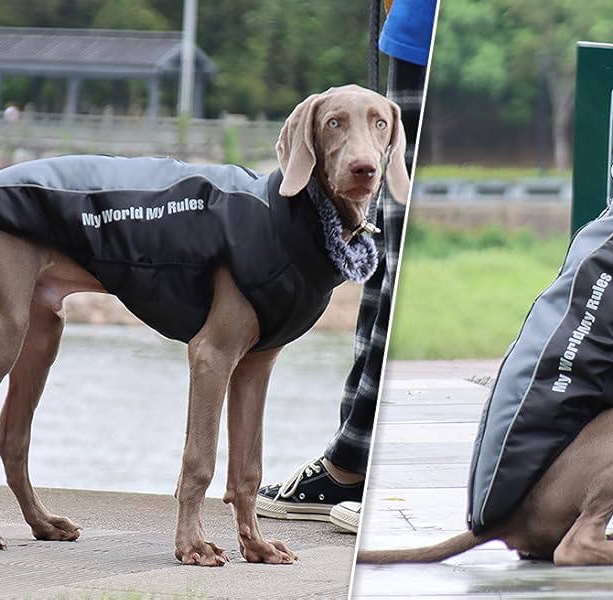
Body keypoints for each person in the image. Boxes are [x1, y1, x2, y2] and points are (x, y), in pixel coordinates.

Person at [255, 0, 435, 534]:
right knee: (387, 264)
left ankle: (368, 466)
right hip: (418, 31)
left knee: (405, 265)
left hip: (432, 33)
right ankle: (352, 463)